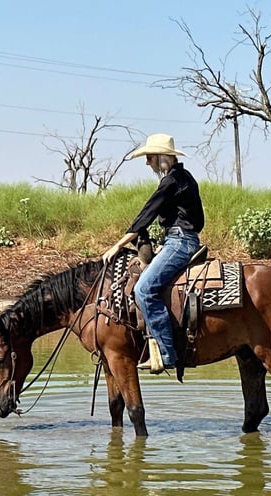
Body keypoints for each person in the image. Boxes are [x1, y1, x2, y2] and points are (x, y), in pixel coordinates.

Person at [102, 133, 204, 372]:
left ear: (161, 157)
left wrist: (118, 245)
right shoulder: (183, 178)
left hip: (180, 243)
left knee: (144, 289)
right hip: (179, 239)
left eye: (149, 157)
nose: (147, 163)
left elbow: (145, 215)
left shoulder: (172, 181)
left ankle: (167, 353)